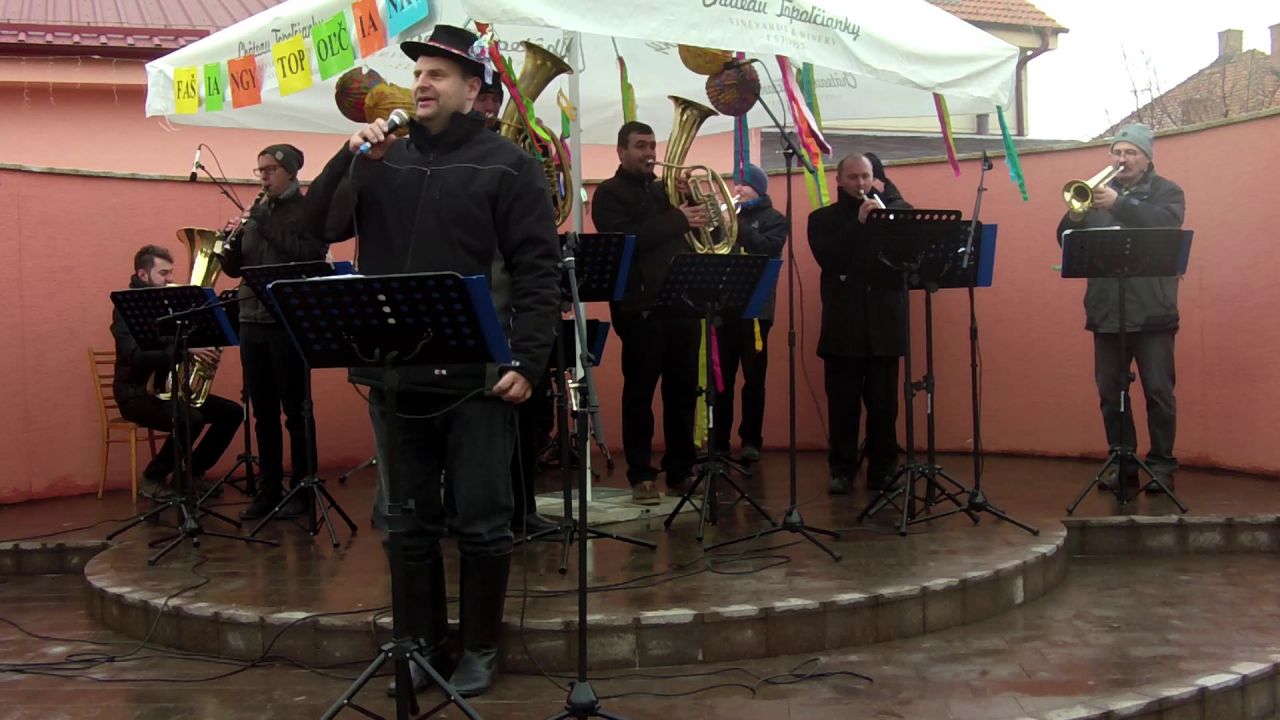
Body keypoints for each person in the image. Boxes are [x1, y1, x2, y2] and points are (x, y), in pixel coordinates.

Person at [306, 24, 560, 698]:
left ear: (473, 90)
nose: (421, 83)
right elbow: (318, 227)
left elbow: (538, 271)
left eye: (438, 74)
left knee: (481, 521)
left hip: (477, 377)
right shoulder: (381, 158)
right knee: (405, 523)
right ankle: (418, 644)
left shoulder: (509, 165)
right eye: (418, 72)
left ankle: (479, 647)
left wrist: (528, 360)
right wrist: (351, 157)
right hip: (395, 372)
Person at [1056, 123, 1185, 493]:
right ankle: (1122, 463)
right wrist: (1075, 215)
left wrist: (1120, 204)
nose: (1122, 159)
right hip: (1106, 311)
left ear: (1146, 158)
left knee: (1158, 392)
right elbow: (1065, 241)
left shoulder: (1167, 191)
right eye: (1117, 152)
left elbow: (1167, 225)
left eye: (1131, 152)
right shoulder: (1095, 193)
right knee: (1111, 394)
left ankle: (1161, 466)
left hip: (1153, 311)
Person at [590, 121, 709, 504]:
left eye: (653, 145)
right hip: (640, 306)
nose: (650, 153)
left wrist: (690, 206)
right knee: (640, 394)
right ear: (621, 151)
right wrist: (678, 217)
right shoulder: (608, 194)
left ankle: (680, 470)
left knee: (683, 392)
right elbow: (627, 241)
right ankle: (641, 474)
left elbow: (697, 237)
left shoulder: (665, 192)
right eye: (641, 146)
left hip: (683, 302)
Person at [220, 144, 328, 521]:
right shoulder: (258, 211)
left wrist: (263, 225)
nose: (263, 177)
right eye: (259, 170)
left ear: (290, 172)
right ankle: (269, 491)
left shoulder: (308, 210)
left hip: (286, 323)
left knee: (296, 412)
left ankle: (303, 488)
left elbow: (310, 256)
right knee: (262, 413)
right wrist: (229, 244)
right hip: (251, 321)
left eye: (269, 170)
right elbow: (236, 269)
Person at [808, 154, 911, 495]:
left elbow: (907, 253)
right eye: (852, 177)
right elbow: (830, 258)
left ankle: (883, 470)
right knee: (843, 405)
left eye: (865, 176)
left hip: (884, 325)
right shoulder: (821, 219)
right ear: (839, 181)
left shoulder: (892, 212)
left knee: (884, 406)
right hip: (844, 326)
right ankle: (843, 469)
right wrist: (859, 223)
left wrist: (885, 209)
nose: (860, 183)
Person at [110, 245, 242, 499]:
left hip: (167, 391)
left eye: (171, 272)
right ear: (143, 274)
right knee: (190, 419)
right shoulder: (126, 310)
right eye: (163, 273)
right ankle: (152, 477)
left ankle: (191, 473)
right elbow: (136, 356)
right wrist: (184, 350)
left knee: (233, 413)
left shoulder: (169, 304)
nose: (170, 279)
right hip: (136, 395)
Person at [712, 163, 786, 462]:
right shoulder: (727, 216)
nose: (737, 188)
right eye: (735, 183)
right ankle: (719, 442)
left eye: (744, 183)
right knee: (721, 381)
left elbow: (767, 249)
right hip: (723, 308)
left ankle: (751, 440)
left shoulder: (774, 220)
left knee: (754, 379)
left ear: (759, 188)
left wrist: (734, 225)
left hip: (756, 310)